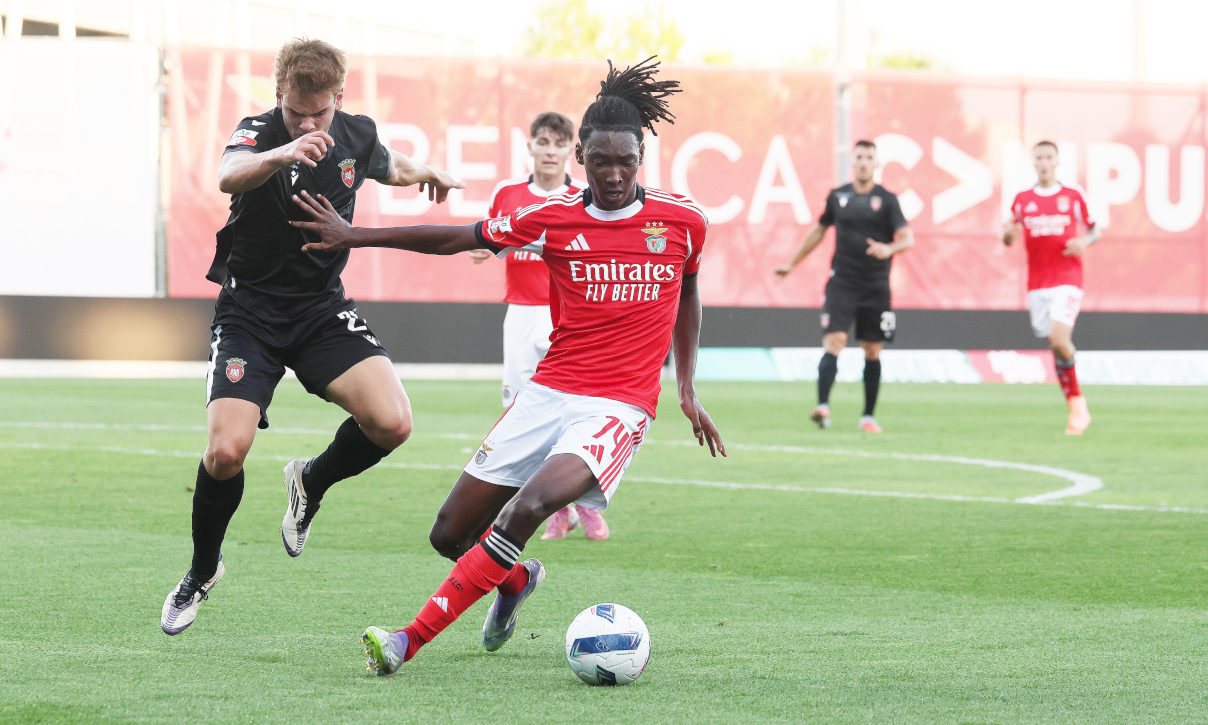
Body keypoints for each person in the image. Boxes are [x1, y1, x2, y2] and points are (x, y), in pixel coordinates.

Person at [290, 56, 725, 675]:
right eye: (600, 160)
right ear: (581, 157)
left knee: (528, 507)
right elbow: (458, 237)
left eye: (626, 160)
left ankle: (405, 640)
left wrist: (684, 388)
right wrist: (355, 237)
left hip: (618, 407)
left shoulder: (684, 221)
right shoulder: (552, 218)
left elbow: (688, 290)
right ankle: (516, 581)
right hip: (548, 392)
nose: (614, 173)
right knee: (449, 534)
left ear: (642, 157)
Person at [160, 38, 462, 636]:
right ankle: (200, 571)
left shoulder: (355, 133)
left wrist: (424, 171)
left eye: (318, 113)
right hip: (250, 311)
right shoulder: (258, 132)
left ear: (339, 100)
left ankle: (310, 480)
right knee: (225, 452)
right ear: (279, 96)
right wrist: (285, 148)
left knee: (393, 423)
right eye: (296, 110)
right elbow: (227, 175)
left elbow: (387, 164)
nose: (307, 122)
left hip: (320, 310)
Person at [468, 112, 607, 542]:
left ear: (572, 151)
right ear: (530, 146)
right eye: (542, 142)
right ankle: (553, 509)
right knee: (520, 410)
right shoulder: (508, 194)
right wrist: (483, 251)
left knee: (578, 410)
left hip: (568, 316)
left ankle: (584, 506)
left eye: (558, 144)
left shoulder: (584, 197)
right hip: (522, 314)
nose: (550, 151)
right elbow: (493, 241)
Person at [774, 140, 913, 433]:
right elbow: (819, 231)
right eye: (859, 157)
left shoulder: (887, 200)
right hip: (842, 283)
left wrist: (889, 249)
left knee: (872, 350)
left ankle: (868, 416)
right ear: (853, 161)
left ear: (876, 164)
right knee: (834, 341)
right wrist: (791, 263)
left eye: (869, 157)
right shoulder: (838, 196)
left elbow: (907, 238)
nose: (864, 162)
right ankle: (822, 406)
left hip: (876, 286)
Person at [1003, 140, 1099, 435]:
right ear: (1033, 162)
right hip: (1037, 284)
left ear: (1057, 162)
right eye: (1039, 157)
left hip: (1068, 279)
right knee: (1055, 347)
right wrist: (1010, 233)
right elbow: (1007, 237)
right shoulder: (1022, 200)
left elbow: (1094, 229)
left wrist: (1083, 241)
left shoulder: (1072, 196)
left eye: (1049, 157)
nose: (1044, 162)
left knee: (1059, 339)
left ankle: (1079, 406)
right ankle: (1074, 409)